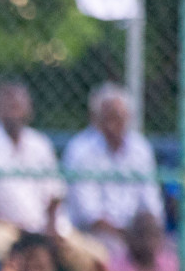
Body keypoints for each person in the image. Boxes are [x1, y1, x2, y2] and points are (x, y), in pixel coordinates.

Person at [0, 82, 68, 259]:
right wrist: (25, 235)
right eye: (9, 107)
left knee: (88, 258)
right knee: (18, 252)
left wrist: (49, 228)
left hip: (40, 231)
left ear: (29, 110)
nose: (14, 113)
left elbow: (55, 195)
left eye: (19, 107)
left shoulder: (39, 144)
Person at [63, 83, 162, 243]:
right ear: (97, 119)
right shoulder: (80, 149)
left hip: (137, 233)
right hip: (93, 234)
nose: (114, 124)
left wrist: (148, 231)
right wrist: (127, 237)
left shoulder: (140, 148)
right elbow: (89, 214)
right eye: (109, 117)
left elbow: (151, 202)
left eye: (120, 117)